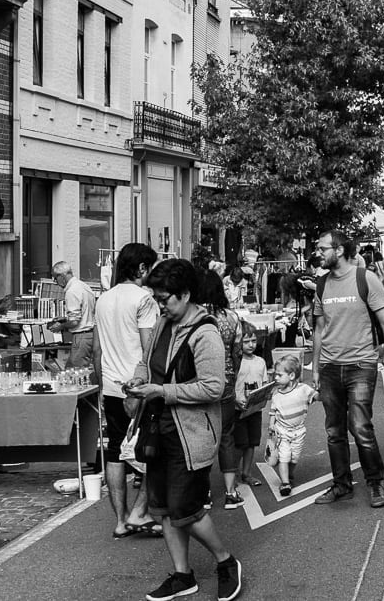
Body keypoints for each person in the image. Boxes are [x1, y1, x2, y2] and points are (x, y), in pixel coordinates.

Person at [124, 259, 242, 601]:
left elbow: (212, 388)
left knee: (185, 508)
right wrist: (138, 381)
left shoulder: (205, 332)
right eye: (158, 299)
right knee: (161, 507)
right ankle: (182, 575)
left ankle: (225, 560)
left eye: (166, 299)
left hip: (191, 434)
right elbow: (146, 363)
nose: (161, 305)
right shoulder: (163, 323)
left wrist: (161, 392)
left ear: (186, 294)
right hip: (157, 427)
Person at [310, 229, 384, 509]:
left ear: (339, 250)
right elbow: (318, 328)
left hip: (361, 364)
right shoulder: (321, 284)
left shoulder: (366, 279)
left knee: (361, 426)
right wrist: (315, 367)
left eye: (322, 248)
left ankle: (374, 481)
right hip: (329, 366)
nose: (319, 253)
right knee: (333, 431)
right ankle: (341, 485)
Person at [93, 243, 159, 538]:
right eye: (151, 268)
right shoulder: (145, 299)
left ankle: (120, 521)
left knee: (115, 450)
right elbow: (149, 347)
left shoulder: (104, 299)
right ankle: (139, 511)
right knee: (151, 448)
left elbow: (97, 349)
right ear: (142, 268)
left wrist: (100, 382)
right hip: (137, 385)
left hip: (110, 384)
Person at [200, 271, 245, 511]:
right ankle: (231, 491)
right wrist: (233, 374)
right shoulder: (230, 317)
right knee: (227, 435)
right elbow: (238, 351)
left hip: (199, 384)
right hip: (225, 381)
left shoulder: (195, 318)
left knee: (204, 436)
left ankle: (204, 492)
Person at [266, 353, 317, 496]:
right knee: (284, 456)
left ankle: (289, 474)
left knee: (294, 458)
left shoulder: (303, 389)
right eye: (275, 375)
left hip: (299, 431)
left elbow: (316, 396)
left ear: (292, 376)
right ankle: (285, 483)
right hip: (282, 431)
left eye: (279, 375)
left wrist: (323, 392)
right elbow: (273, 412)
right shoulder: (276, 394)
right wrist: (271, 425)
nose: (275, 378)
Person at [233, 329, 267, 490]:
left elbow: (264, 383)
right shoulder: (236, 362)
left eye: (253, 340)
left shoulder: (260, 361)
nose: (251, 344)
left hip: (255, 408)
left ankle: (246, 473)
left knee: (252, 442)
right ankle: (232, 473)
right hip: (238, 408)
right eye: (246, 341)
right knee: (239, 443)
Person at [48, 261, 96, 370]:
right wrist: (65, 319)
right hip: (90, 334)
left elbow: (75, 322)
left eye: (55, 278)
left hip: (81, 336)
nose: (55, 282)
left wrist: (60, 326)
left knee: (75, 371)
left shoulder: (71, 291)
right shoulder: (83, 286)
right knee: (80, 369)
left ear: (62, 276)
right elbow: (84, 312)